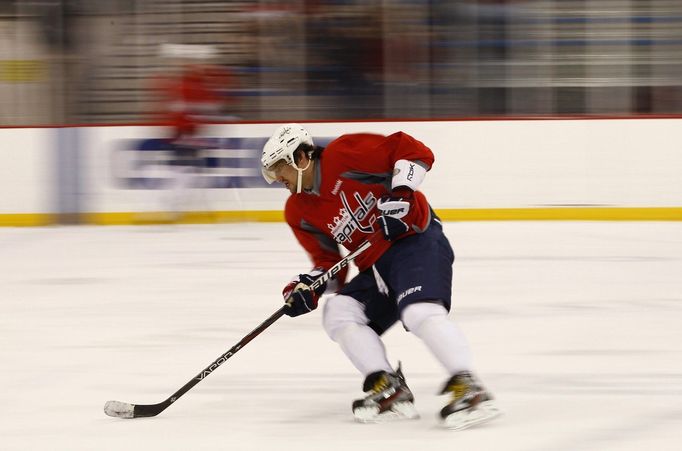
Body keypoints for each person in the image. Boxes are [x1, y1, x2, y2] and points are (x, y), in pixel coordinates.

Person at [261, 123, 501, 429]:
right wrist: (310, 287)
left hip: (416, 241)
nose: (277, 178)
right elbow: (331, 264)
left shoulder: (343, 155)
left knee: (418, 312)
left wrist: (401, 195)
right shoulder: (298, 211)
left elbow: (413, 151)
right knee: (339, 312)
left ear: (302, 157)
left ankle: (470, 387)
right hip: (376, 268)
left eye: (280, 167)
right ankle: (387, 386)